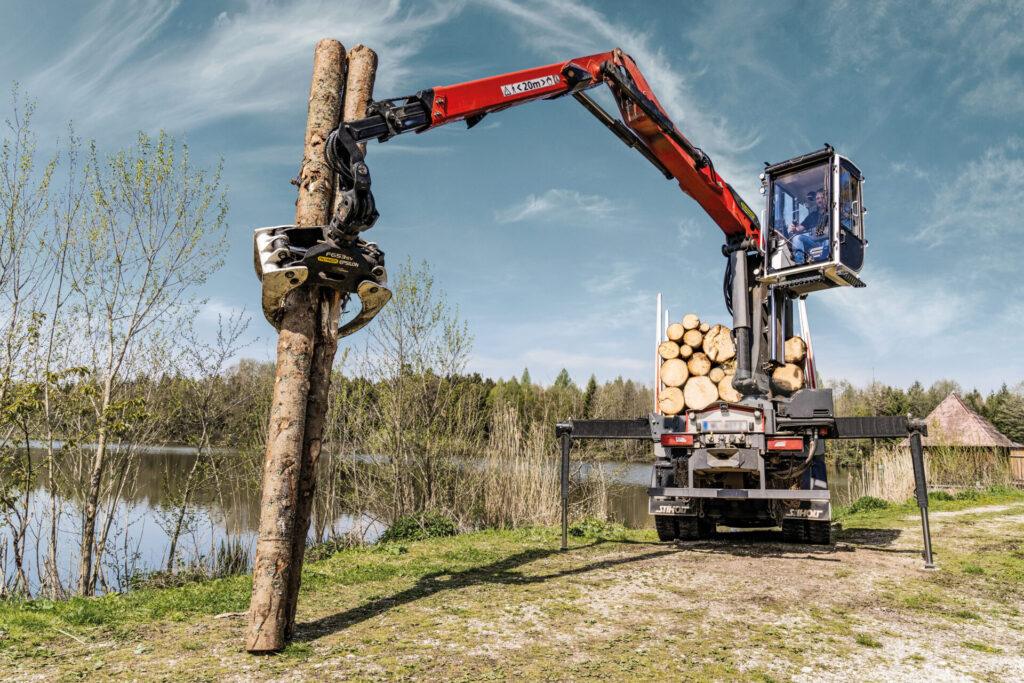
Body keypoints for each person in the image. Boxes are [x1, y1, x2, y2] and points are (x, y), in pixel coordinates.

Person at [789, 189, 830, 264]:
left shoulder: (833, 212)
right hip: (814, 243)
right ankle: (799, 263)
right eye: (818, 198)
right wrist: (794, 229)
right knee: (796, 238)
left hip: (828, 242)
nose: (820, 200)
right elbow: (799, 228)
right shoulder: (812, 215)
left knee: (827, 241)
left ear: (827, 198)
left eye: (822, 197)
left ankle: (826, 261)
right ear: (816, 201)